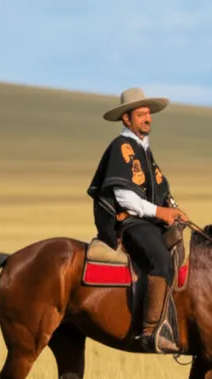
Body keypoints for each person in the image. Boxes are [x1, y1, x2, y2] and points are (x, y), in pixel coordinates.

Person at [86, 87, 187, 353]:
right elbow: (125, 197)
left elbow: (160, 190)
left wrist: (174, 209)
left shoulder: (144, 150)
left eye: (148, 114)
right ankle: (150, 331)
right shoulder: (122, 148)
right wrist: (160, 213)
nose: (147, 118)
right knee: (160, 259)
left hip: (148, 220)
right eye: (140, 114)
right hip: (129, 222)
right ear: (126, 119)